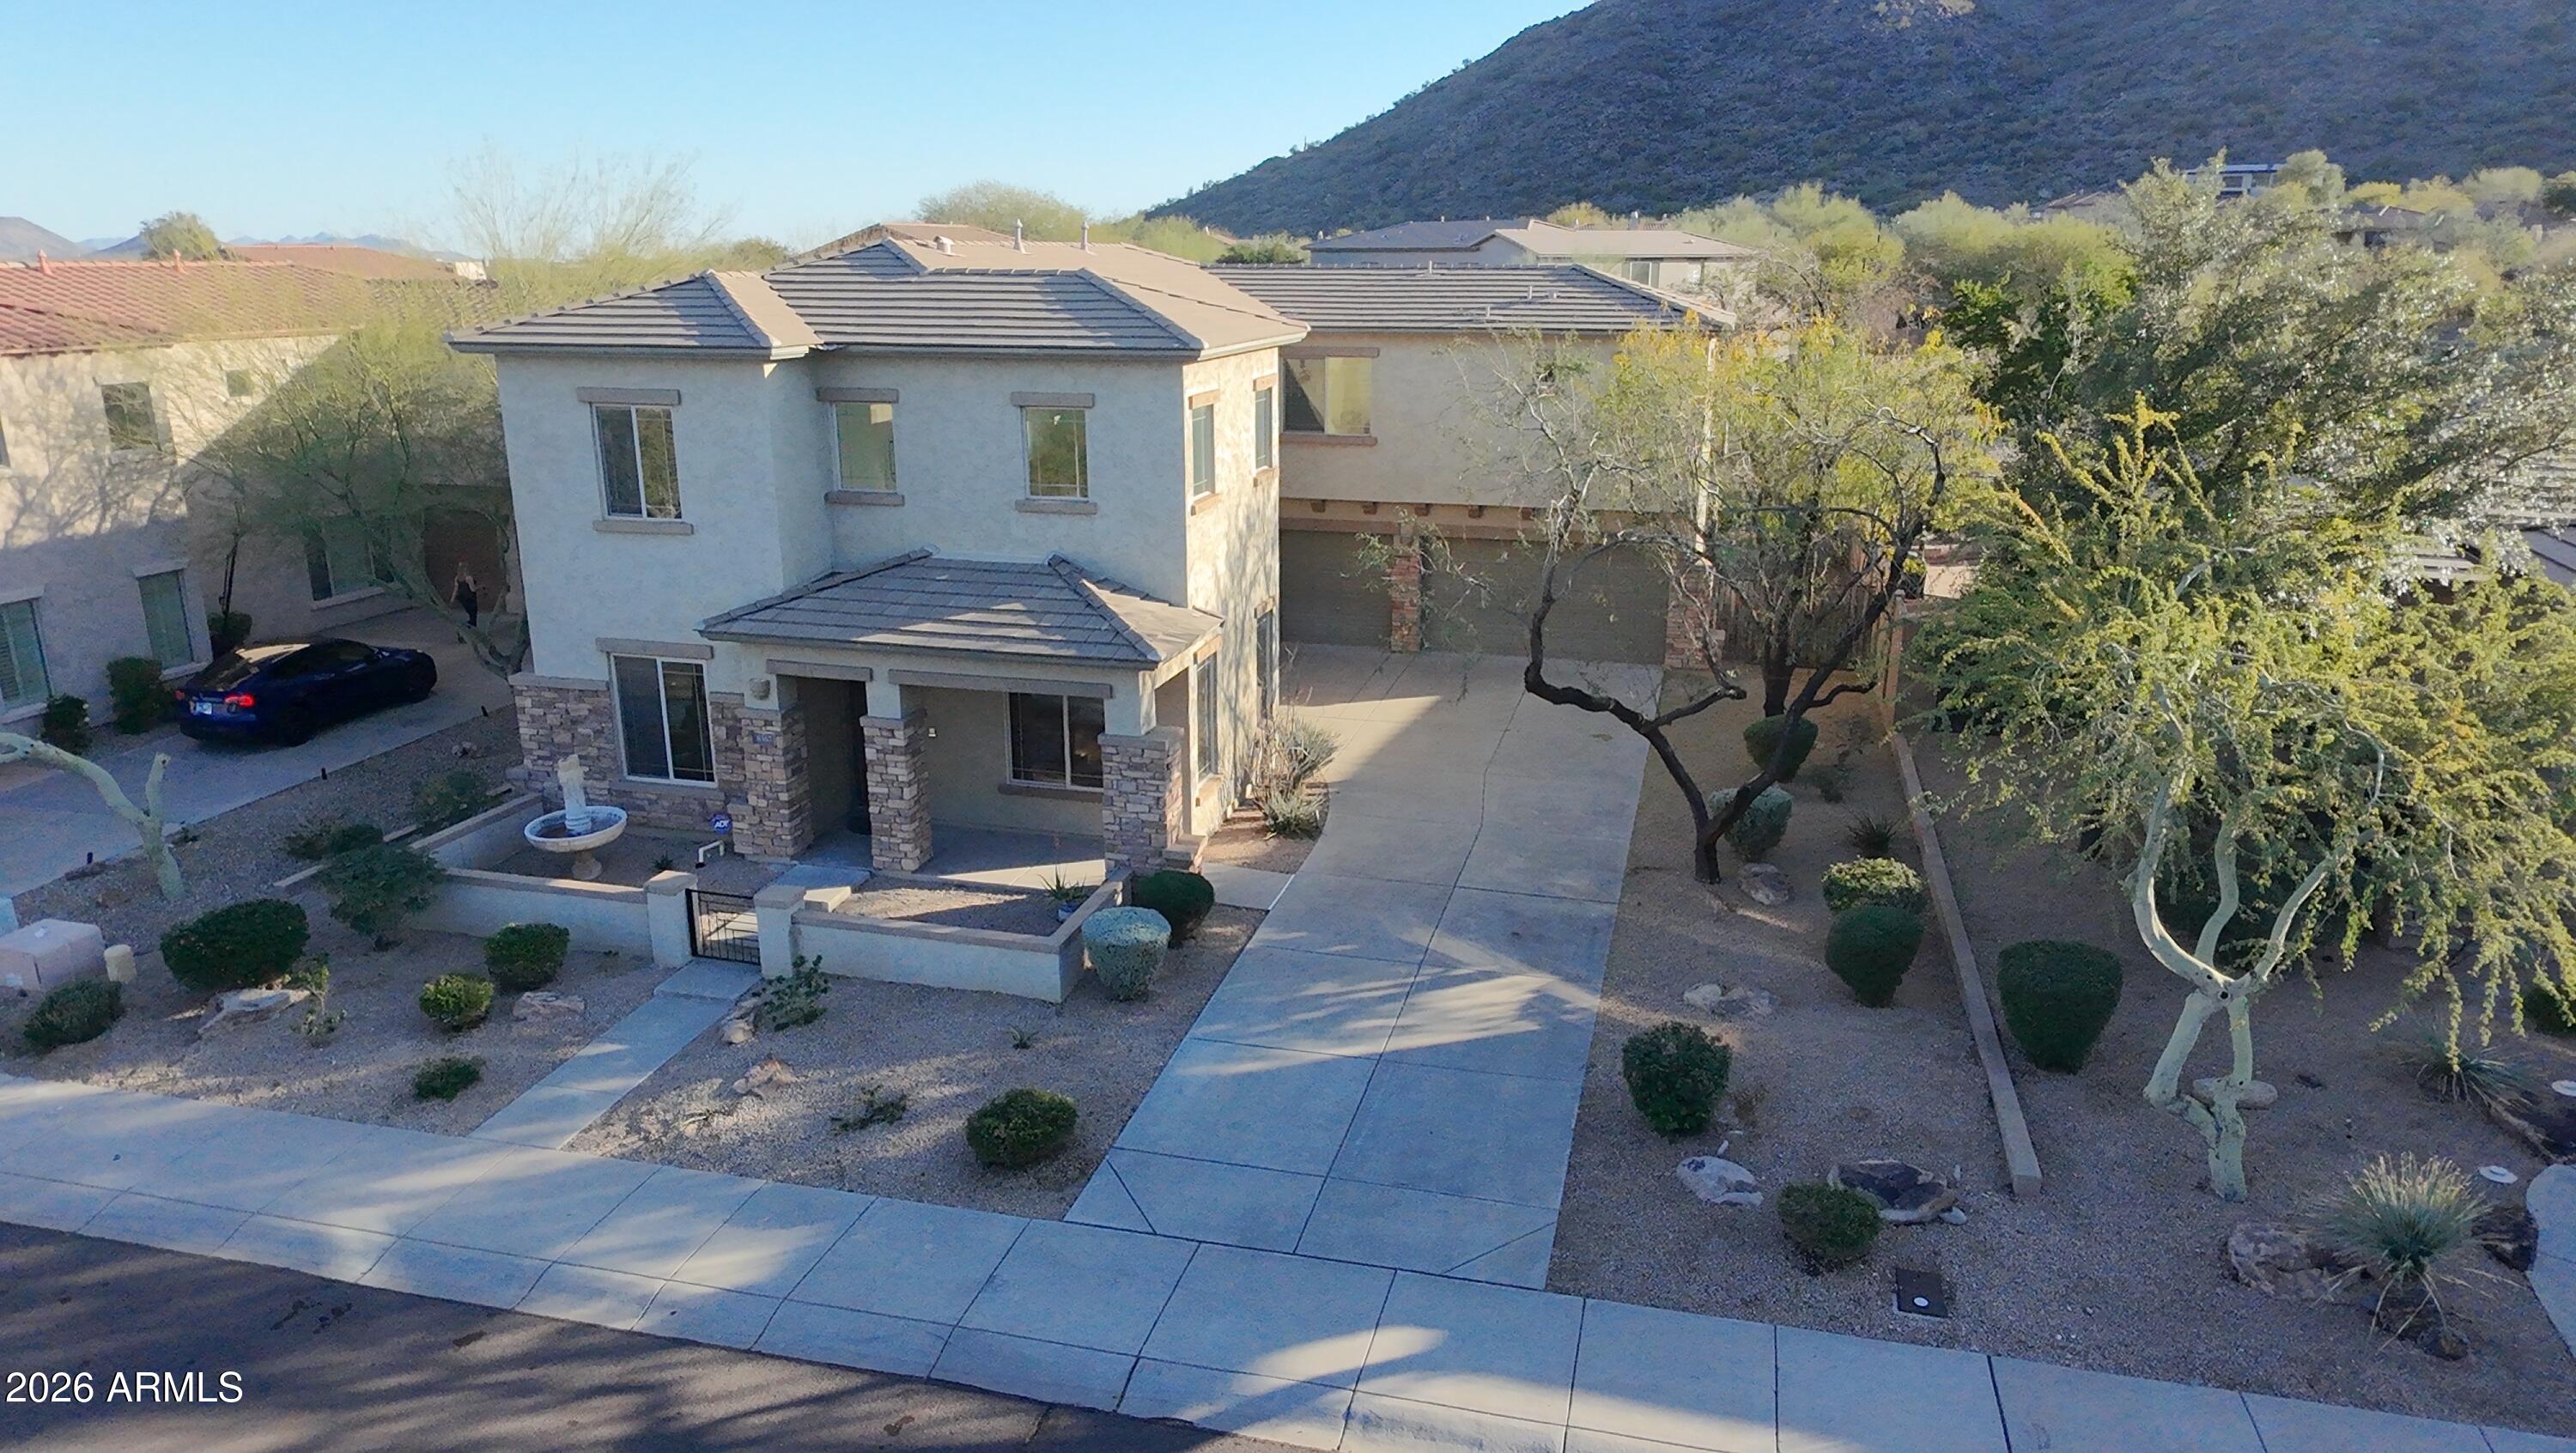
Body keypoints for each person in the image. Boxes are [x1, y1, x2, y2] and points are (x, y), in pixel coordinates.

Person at [450, 562, 480, 628]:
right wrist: (480, 588)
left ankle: (466, 628)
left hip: (462, 598)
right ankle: (470, 629)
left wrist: (452, 599)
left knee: (469, 615)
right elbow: (473, 589)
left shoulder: (457, 578)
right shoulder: (469, 578)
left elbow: (456, 589)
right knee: (473, 616)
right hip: (470, 598)